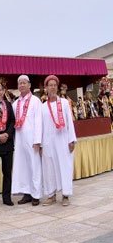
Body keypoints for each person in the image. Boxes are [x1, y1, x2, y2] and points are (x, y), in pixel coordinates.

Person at [41, 75, 77, 206]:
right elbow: (41, 126)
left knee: (64, 166)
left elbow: (70, 122)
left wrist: (71, 140)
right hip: (48, 142)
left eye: (55, 85)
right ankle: (51, 195)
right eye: (50, 85)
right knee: (49, 168)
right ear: (46, 88)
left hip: (63, 140)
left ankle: (66, 195)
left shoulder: (64, 103)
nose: (53, 87)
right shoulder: (43, 106)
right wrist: (40, 143)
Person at [11, 75, 43, 206]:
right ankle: (26, 193)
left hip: (32, 140)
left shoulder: (35, 101)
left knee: (34, 166)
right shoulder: (15, 103)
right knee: (23, 166)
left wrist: (37, 140)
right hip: (19, 140)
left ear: (29, 85)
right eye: (20, 83)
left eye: (24, 83)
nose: (22, 85)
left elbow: (39, 121)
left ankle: (36, 194)